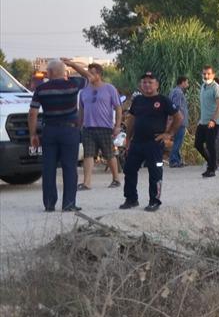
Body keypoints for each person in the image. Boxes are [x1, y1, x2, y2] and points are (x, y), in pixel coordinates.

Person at [27, 58, 87, 212]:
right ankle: (68, 204)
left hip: (50, 131)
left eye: (47, 71)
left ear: (51, 72)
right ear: (63, 71)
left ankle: (49, 204)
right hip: (70, 131)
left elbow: (33, 113)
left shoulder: (41, 89)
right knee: (69, 167)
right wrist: (73, 65)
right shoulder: (73, 85)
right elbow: (89, 77)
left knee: (48, 168)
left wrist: (33, 134)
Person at [119, 72, 183, 211]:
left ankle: (154, 200)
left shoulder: (163, 100)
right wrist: (128, 139)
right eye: (144, 82)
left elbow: (179, 117)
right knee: (129, 170)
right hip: (137, 142)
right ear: (140, 85)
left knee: (155, 172)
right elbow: (131, 120)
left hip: (154, 143)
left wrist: (169, 134)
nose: (147, 84)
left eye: (150, 82)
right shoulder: (137, 100)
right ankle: (131, 199)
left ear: (156, 85)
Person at [64, 58, 122, 189]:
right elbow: (81, 111)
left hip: (105, 127)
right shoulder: (84, 91)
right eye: (88, 73)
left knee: (109, 153)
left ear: (99, 74)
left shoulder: (109, 89)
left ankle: (116, 179)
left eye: (92, 73)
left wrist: (117, 125)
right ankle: (87, 182)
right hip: (88, 127)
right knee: (88, 154)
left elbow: (118, 107)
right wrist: (78, 126)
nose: (89, 75)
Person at [197, 65, 219, 177]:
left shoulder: (216, 87)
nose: (206, 76)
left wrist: (213, 119)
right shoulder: (203, 86)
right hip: (202, 121)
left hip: (213, 121)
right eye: (204, 74)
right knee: (197, 144)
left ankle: (211, 169)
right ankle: (212, 163)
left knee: (210, 145)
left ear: (213, 75)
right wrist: (200, 119)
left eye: (208, 74)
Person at [167, 75, 188, 168]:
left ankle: (177, 159)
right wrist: (177, 119)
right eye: (187, 82)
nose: (187, 84)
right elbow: (176, 107)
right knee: (178, 141)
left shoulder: (174, 91)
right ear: (182, 82)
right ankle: (173, 160)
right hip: (179, 121)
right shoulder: (178, 92)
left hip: (178, 121)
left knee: (177, 140)